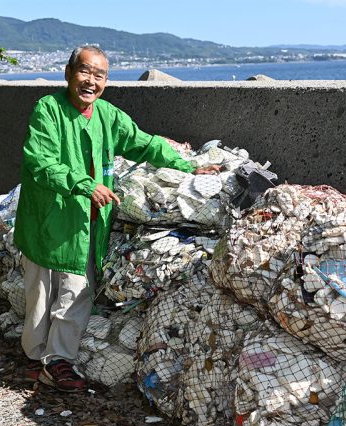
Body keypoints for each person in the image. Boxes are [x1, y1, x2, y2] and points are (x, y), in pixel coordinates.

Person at [13, 45, 219, 392]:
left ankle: (57, 362)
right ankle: (35, 358)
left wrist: (188, 165)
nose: (91, 81)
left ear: (106, 81)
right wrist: (84, 184)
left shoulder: (108, 116)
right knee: (40, 296)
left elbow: (144, 144)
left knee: (77, 293)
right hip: (48, 221)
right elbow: (40, 162)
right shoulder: (48, 110)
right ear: (68, 73)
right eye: (85, 71)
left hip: (86, 225)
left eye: (100, 75)